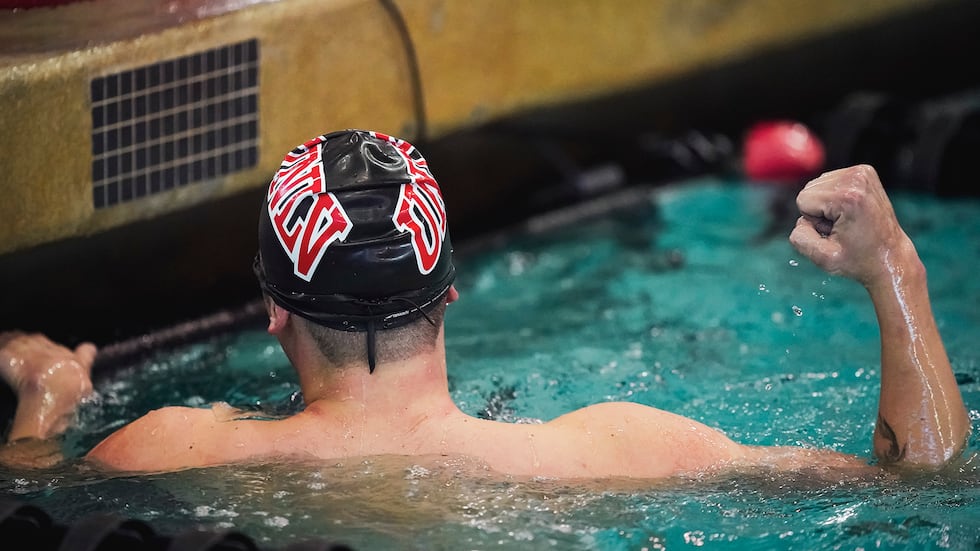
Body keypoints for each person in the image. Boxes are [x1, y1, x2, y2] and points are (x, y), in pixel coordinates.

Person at [0, 129, 970, 478]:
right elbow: (917, 483)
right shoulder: (611, 450)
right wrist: (896, 273)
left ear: (274, 309)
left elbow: (30, 485)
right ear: (449, 289)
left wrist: (47, 399)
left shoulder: (168, 447)